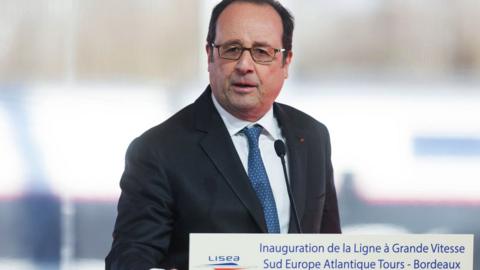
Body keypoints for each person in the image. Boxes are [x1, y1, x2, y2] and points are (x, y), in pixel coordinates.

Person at [105, 0, 341, 269]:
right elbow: (129, 260)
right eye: (232, 49)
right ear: (209, 56)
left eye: (262, 52)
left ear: (286, 62)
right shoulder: (158, 150)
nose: (244, 65)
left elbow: (329, 249)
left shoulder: (312, 136)